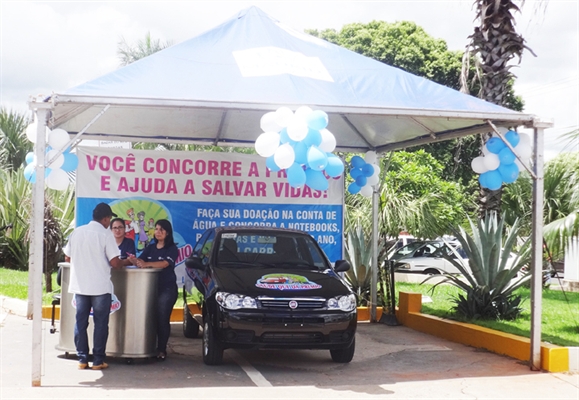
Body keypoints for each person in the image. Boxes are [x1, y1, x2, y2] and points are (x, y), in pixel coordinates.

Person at [63, 202, 124, 370]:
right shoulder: (105, 235)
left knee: (81, 322)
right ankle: (98, 360)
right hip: (99, 287)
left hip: (80, 286)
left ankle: (82, 359)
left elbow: (67, 257)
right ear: (105, 219)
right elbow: (115, 263)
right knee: (100, 324)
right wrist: (125, 261)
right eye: (109, 219)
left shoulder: (77, 232)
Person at [128, 219, 178, 361]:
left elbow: (164, 264)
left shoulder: (172, 249)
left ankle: (161, 350)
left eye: (161, 230)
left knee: (162, 318)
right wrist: (134, 261)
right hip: (148, 289)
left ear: (167, 232)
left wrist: (147, 264)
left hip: (166, 289)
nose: (158, 232)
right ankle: (147, 347)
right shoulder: (150, 248)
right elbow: (140, 261)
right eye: (156, 229)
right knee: (148, 318)